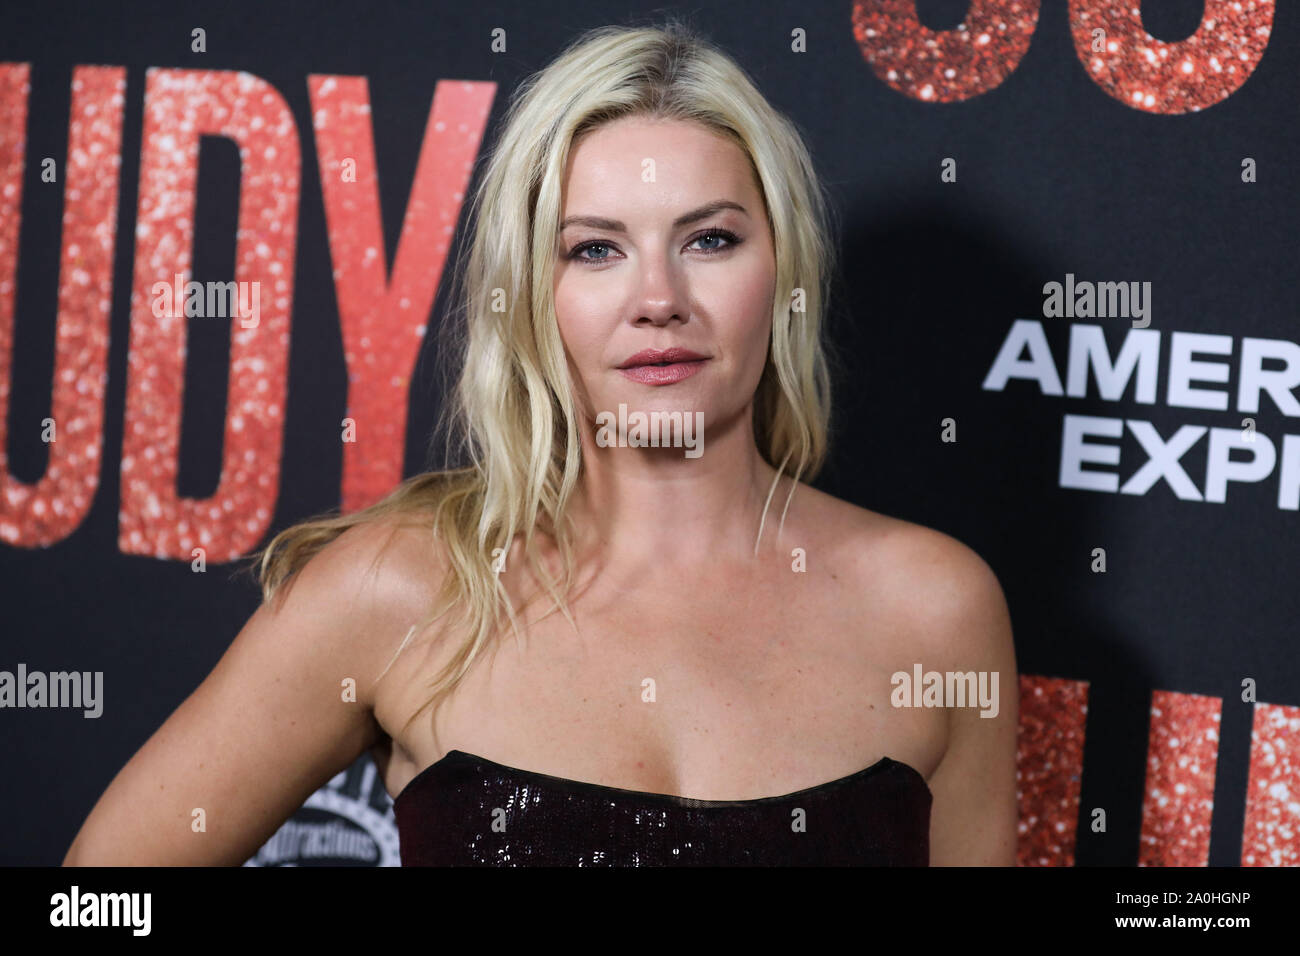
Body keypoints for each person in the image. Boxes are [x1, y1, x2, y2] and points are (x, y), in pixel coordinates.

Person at [63, 18, 1017, 867]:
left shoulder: (934, 609)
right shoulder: (401, 591)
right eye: (595, 249)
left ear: (785, 269)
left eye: (710, 240)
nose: (659, 300)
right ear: (530, 293)